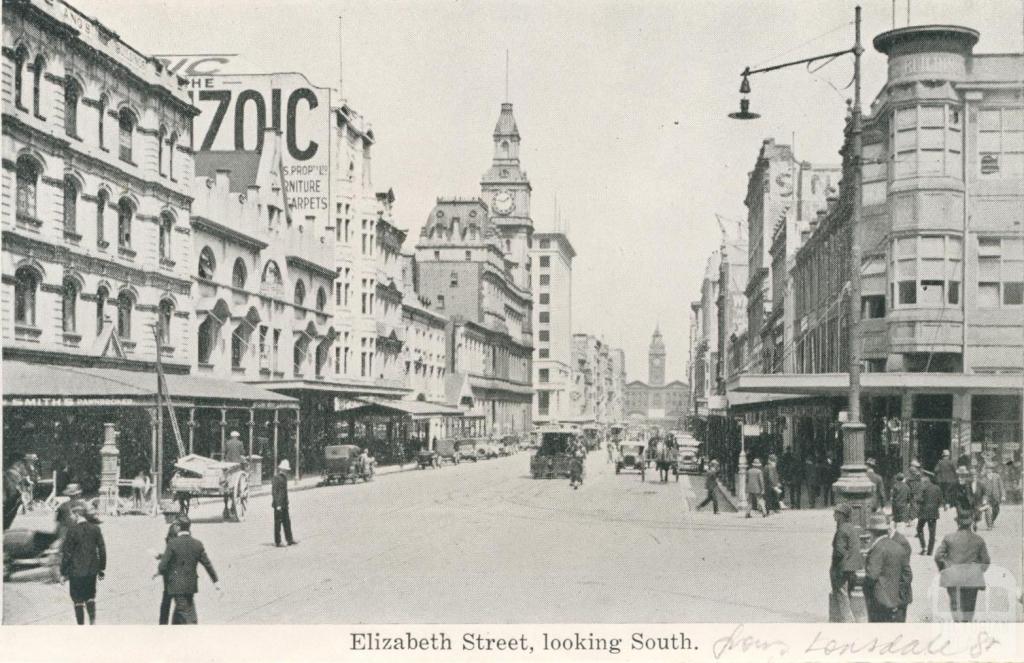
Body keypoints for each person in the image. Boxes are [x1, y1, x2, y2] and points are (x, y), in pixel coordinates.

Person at [158, 516, 219, 624]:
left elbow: (162, 566)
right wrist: (216, 581)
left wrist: (161, 570)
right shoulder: (197, 544)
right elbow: (207, 564)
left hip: (175, 586)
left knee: (185, 615)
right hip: (190, 585)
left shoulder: (172, 543)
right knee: (184, 612)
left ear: (178, 527)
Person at [935, 512, 991, 623]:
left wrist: (945, 569)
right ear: (971, 523)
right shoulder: (978, 540)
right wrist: (977, 570)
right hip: (972, 578)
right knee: (969, 608)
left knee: (955, 605)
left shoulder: (949, 538)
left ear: (958, 523)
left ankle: (958, 626)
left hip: (953, 576)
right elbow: (986, 561)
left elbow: (938, 556)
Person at [60, 504, 106, 625]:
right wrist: (101, 569)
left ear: (77, 514)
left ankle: (81, 626)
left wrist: (63, 573)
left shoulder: (72, 531)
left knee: (78, 601)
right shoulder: (95, 529)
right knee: (90, 597)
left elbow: (67, 554)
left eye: (72, 515)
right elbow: (102, 550)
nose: (71, 517)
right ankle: (92, 622)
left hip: (76, 572)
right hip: (91, 571)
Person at [864, 514, 907, 623]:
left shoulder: (878, 548)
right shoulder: (898, 547)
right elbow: (907, 574)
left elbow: (871, 575)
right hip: (896, 600)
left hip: (879, 602)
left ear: (873, 532)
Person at [830, 503, 864, 622]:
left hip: (842, 567)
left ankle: (848, 620)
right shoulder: (851, 527)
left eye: (836, 513)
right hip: (852, 567)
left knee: (841, 594)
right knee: (846, 593)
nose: (834, 515)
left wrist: (836, 567)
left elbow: (839, 551)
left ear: (841, 515)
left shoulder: (842, 530)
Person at [156, 516, 186, 624]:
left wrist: (161, 558)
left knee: (167, 600)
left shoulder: (173, 528)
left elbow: (171, 552)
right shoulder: (184, 529)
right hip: (180, 571)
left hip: (170, 572)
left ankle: (163, 623)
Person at [888, 516, 914, 622]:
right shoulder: (888, 539)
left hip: (899, 594)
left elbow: (906, 573)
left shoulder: (901, 542)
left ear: (892, 526)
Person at [916, 471, 942, 556]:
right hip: (933, 512)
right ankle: (930, 551)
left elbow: (919, 499)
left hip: (924, 512)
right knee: (932, 532)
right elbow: (940, 501)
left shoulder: (923, 488)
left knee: (919, 528)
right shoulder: (937, 488)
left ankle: (923, 547)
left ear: (927, 479)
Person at [272, 459, 297, 546]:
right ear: (282, 469)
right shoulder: (276, 478)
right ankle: (278, 541)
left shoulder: (284, 478)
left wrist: (286, 502)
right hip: (278, 504)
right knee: (278, 523)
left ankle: (289, 539)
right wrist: (278, 505)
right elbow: (275, 492)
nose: (286, 471)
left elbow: (284, 493)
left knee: (287, 522)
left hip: (284, 504)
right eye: (285, 470)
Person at [223, 431, 246, 518]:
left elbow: (224, 452)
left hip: (228, 464)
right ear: (237, 436)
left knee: (226, 478)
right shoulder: (240, 443)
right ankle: (233, 505)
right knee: (238, 481)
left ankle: (226, 507)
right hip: (236, 464)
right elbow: (242, 452)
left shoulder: (227, 443)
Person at [3, 455, 29, 531]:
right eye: (24, 464)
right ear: (18, 464)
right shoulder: (11, 475)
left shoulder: (14, 475)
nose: (25, 467)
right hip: (7, 515)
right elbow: (12, 497)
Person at [980, 463, 1004, 530]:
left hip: (995, 497)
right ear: (985, 469)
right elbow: (981, 489)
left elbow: (1001, 487)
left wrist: (1003, 495)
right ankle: (989, 525)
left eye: (990, 468)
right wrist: (983, 499)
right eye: (987, 468)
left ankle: (992, 520)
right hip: (987, 497)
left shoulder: (997, 476)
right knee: (987, 510)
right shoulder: (983, 478)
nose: (988, 470)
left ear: (992, 469)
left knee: (996, 511)